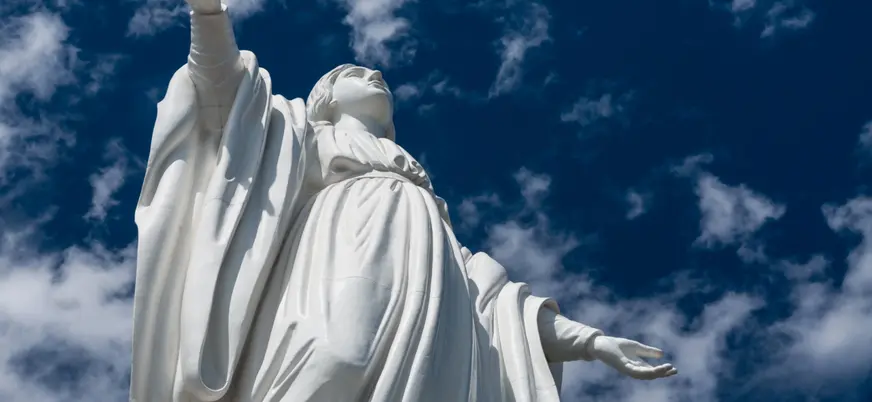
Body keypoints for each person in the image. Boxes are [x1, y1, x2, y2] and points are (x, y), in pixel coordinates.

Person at [129, 1, 677, 401]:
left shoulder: (425, 202)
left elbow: (494, 305)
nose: (375, 74)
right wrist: (209, 15)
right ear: (325, 99)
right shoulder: (295, 131)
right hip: (339, 238)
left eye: (374, 73)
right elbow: (221, 85)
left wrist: (591, 344)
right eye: (354, 73)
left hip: (424, 272)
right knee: (335, 357)